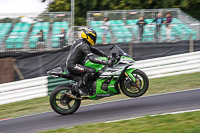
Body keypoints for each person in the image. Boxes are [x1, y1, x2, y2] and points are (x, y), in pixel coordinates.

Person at [66, 28, 113, 95]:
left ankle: (90, 87)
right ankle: (79, 87)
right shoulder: (83, 45)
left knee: (93, 69)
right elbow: (91, 58)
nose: (94, 39)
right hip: (73, 66)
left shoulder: (82, 42)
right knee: (91, 71)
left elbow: (95, 50)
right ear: (88, 36)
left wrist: (107, 56)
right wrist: (105, 62)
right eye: (93, 37)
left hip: (76, 64)